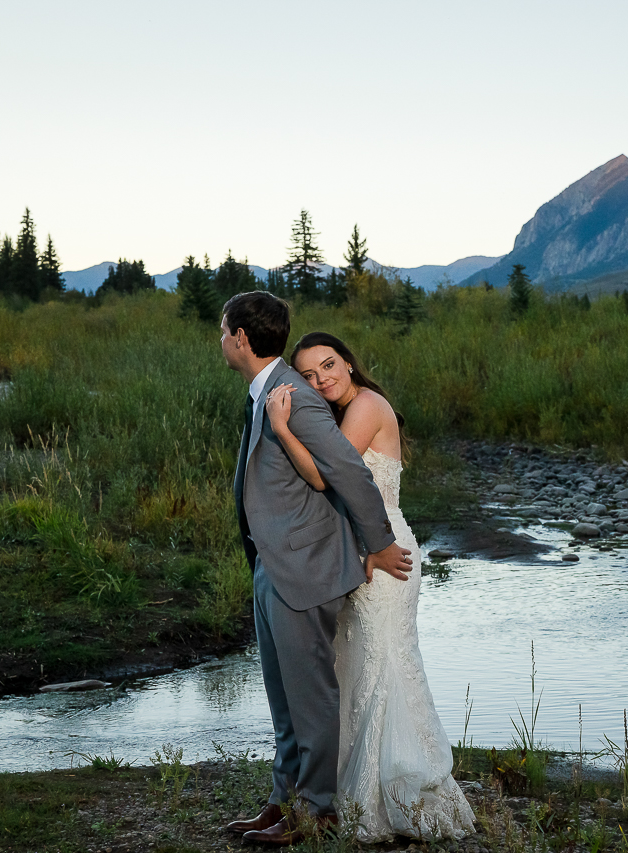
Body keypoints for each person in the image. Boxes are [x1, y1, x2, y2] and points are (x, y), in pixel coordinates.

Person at [264, 331, 476, 842]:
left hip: (386, 555)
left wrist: (281, 427)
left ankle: (403, 794)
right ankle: (350, 794)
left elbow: (323, 477)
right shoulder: (338, 415)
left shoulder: (366, 407)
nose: (322, 380)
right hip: (356, 554)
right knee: (353, 666)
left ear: (350, 364)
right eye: (310, 375)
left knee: (385, 662)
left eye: (330, 366)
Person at [218, 293, 413, 847]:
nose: (221, 340)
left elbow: (350, 470)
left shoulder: (293, 399)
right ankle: (281, 802)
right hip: (271, 565)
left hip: (304, 568)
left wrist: (377, 544)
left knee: (312, 697)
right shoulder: (267, 392)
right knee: (284, 699)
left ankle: (317, 811)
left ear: (239, 338)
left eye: (222, 330)